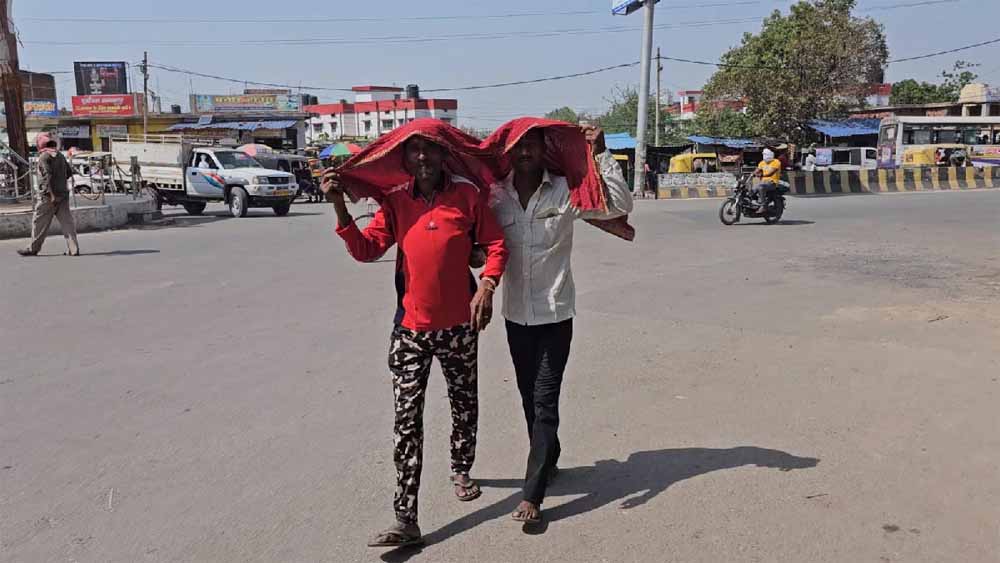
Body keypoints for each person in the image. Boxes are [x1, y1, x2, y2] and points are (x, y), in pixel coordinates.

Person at [321, 121, 508, 548]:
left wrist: (487, 285)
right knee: (407, 421)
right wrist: (340, 209)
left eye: (430, 149)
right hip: (409, 330)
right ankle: (406, 518)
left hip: (459, 327)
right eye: (414, 150)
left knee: (465, 403)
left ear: (444, 155)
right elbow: (366, 250)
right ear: (404, 158)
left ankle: (461, 467)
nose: (423, 157)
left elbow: (497, 245)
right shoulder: (395, 201)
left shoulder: (467, 196)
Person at [484, 120, 633, 525]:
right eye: (518, 146)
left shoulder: (566, 190)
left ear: (544, 149)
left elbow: (619, 205)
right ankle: (548, 455)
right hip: (516, 316)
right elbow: (480, 238)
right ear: (509, 153)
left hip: (555, 314)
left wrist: (601, 154)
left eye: (532, 145)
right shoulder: (496, 196)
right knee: (528, 397)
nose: (525, 153)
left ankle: (532, 494)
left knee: (545, 400)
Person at [18, 133, 79, 257]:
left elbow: (46, 176)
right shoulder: (60, 155)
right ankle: (74, 249)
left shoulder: (44, 157)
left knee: (39, 223)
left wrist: (52, 195)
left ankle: (33, 249)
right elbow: (69, 172)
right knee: (67, 223)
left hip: (48, 197)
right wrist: (60, 182)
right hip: (63, 195)